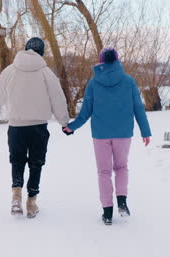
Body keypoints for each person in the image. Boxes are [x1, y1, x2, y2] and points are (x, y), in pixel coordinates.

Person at [63, 48, 151, 225]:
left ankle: (108, 212)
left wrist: (71, 127)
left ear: (101, 62)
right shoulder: (129, 81)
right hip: (123, 133)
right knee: (121, 167)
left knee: (103, 172)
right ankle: (122, 202)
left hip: (101, 135)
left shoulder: (94, 83)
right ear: (117, 61)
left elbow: (85, 112)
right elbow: (138, 108)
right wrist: (145, 131)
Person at [0, 37, 70, 218]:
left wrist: (2, 105)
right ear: (42, 52)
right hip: (38, 127)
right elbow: (57, 98)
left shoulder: (10, 70)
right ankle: (31, 203)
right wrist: (64, 122)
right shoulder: (46, 73)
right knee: (36, 163)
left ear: (26, 49)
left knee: (17, 161)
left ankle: (16, 197)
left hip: (16, 127)